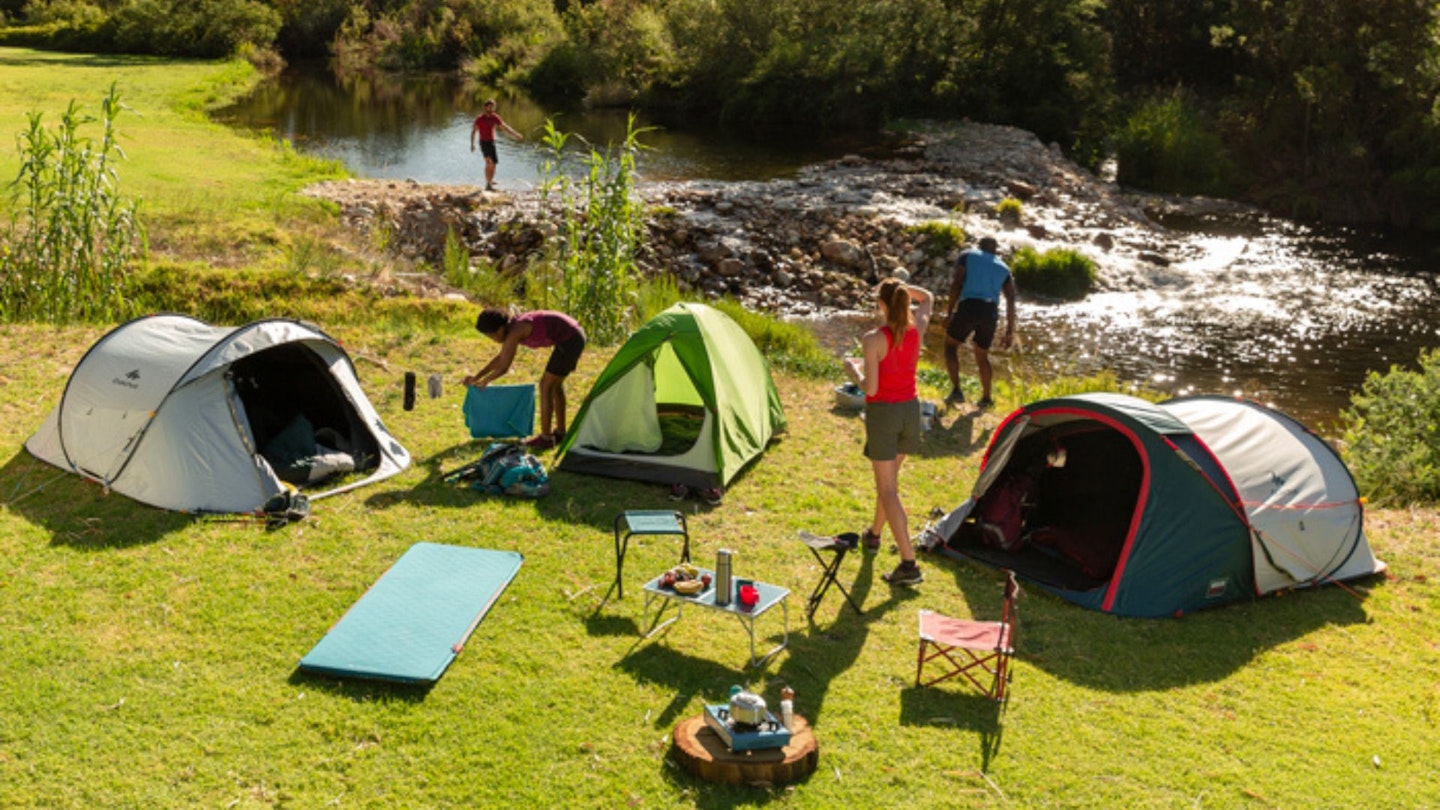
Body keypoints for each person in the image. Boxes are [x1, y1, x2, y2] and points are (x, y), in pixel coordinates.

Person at [844, 277, 935, 586]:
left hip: (884, 414)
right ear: (904, 301)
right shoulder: (916, 328)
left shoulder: (873, 339)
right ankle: (874, 534)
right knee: (889, 482)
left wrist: (853, 371)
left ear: (882, 305)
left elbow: (870, 387)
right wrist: (904, 289)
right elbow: (929, 298)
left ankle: (909, 564)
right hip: (911, 410)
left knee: (888, 489)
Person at [464, 308, 586, 450]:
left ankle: (546, 438)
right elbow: (502, 357)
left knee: (546, 386)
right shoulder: (512, 328)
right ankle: (560, 433)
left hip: (571, 339)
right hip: (571, 336)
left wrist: (485, 381)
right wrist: (478, 376)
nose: (494, 340)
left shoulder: (516, 331)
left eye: (492, 336)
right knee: (555, 385)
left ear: (501, 328)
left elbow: (504, 367)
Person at [943, 236, 1017, 410]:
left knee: (950, 346)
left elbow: (957, 283)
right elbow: (1011, 300)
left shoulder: (968, 255)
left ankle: (956, 391)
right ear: (995, 250)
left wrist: (949, 312)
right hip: (990, 311)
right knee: (982, 355)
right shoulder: (1004, 268)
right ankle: (986, 398)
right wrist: (1009, 331)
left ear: (980, 246)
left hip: (969, 306)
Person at [469, 99, 523, 191]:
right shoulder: (480, 119)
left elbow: (504, 127)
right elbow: (474, 131)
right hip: (483, 142)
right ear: (485, 107)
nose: (490, 108)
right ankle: (488, 184)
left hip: (492, 142)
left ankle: (490, 180)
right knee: (489, 162)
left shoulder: (495, 117)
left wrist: (516, 134)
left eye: (492, 107)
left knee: (494, 164)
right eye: (489, 106)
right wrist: (472, 144)